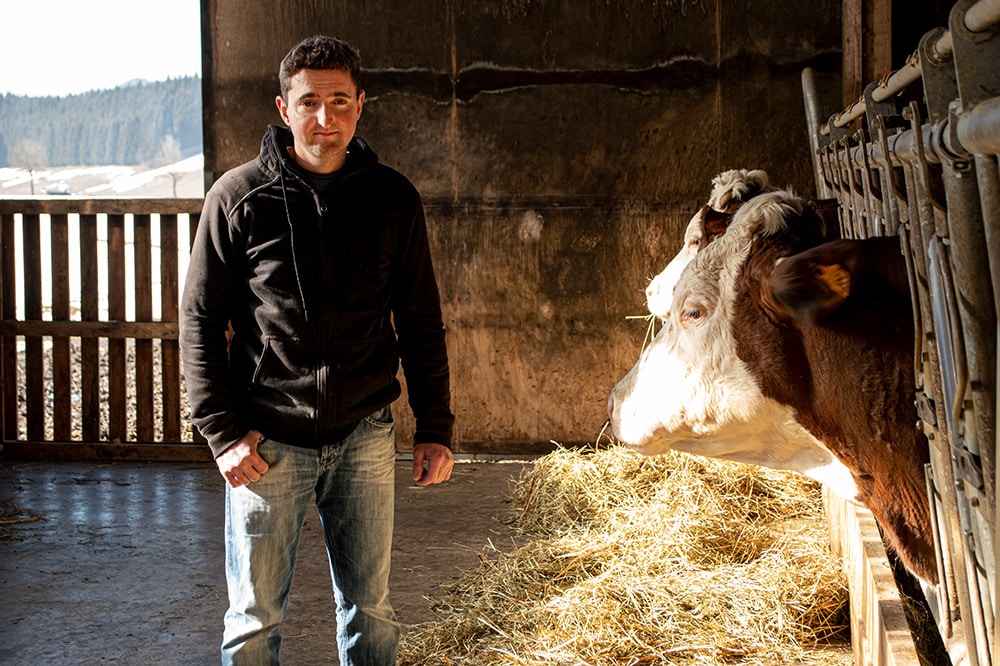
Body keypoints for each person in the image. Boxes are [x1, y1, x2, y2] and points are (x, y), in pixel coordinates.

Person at [179, 35, 455, 665]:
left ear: (361, 105)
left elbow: (419, 320)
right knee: (253, 620)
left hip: (364, 434)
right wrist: (223, 433)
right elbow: (199, 321)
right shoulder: (238, 197)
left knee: (371, 610)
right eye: (308, 102)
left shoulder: (392, 198)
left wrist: (435, 427)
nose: (323, 119)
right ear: (284, 108)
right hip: (266, 442)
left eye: (338, 101)